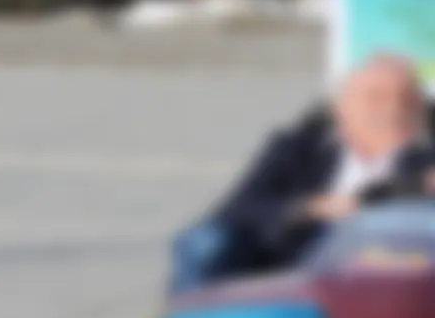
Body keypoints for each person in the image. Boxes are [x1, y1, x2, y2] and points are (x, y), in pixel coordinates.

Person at [173, 53, 435, 293]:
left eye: (407, 100)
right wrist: (308, 208)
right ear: (343, 107)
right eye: (376, 97)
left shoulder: (425, 162)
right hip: (292, 257)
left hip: (382, 268)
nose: (393, 109)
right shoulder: (298, 149)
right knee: (204, 240)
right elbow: (240, 208)